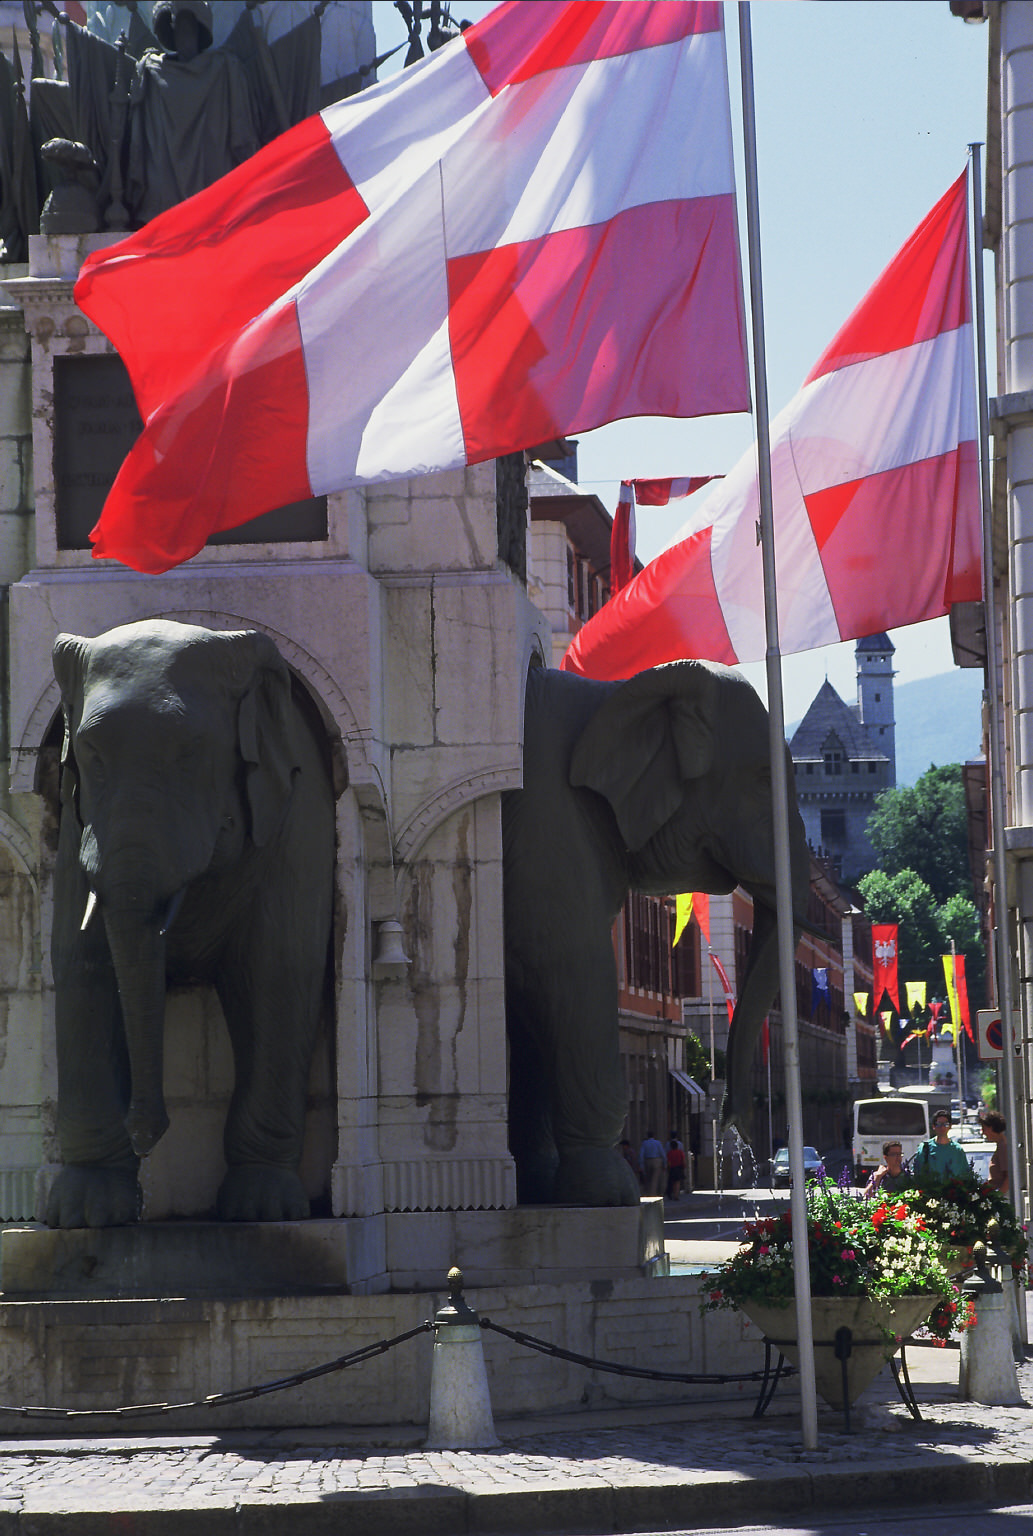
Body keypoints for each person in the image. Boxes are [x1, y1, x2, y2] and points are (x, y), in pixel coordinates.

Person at [913, 1109, 971, 1182]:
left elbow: (966, 1176)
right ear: (934, 1126)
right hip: (930, 1192)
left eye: (945, 1124)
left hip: (952, 1192)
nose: (942, 1127)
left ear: (950, 1126)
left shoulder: (957, 1150)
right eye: (939, 1124)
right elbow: (917, 1174)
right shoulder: (925, 1148)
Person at [980, 1110, 1010, 1196]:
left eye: (984, 1128)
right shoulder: (1000, 1145)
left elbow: (1008, 1177)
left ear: (991, 1128)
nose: (983, 1132)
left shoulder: (1003, 1146)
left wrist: (997, 1198)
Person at [640, 1130, 665, 1196]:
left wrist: (641, 1164)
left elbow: (641, 1154)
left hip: (647, 1160)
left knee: (648, 1177)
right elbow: (662, 1153)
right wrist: (665, 1163)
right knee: (655, 1178)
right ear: (654, 1136)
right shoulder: (658, 1143)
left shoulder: (644, 1143)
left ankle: (647, 1192)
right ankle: (653, 1193)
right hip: (656, 1160)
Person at [665, 1136, 687, 1200]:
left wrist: (668, 1169)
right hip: (679, 1168)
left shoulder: (669, 1153)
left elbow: (669, 1162)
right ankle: (676, 1195)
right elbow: (683, 1160)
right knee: (677, 1182)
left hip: (672, 1168)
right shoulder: (680, 1152)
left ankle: (672, 1193)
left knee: (672, 1182)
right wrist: (683, 1167)